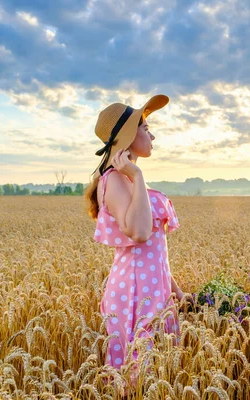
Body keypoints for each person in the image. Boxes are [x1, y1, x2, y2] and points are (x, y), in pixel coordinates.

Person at [84, 95, 186, 382]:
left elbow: (155, 250)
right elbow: (139, 233)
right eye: (145, 128)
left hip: (155, 289)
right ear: (128, 137)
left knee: (158, 373)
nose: (152, 135)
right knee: (139, 376)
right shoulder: (116, 179)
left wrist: (175, 289)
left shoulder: (129, 179)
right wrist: (137, 175)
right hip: (134, 293)